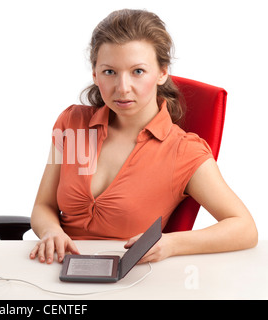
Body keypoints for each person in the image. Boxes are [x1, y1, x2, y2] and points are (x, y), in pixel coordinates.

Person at [29, 9, 258, 264]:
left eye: (138, 71)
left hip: (132, 277)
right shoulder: (72, 124)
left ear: (162, 73)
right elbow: (43, 206)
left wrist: (170, 244)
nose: (122, 87)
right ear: (94, 74)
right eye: (109, 72)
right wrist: (52, 232)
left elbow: (244, 228)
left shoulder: (183, 151)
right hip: (56, 270)